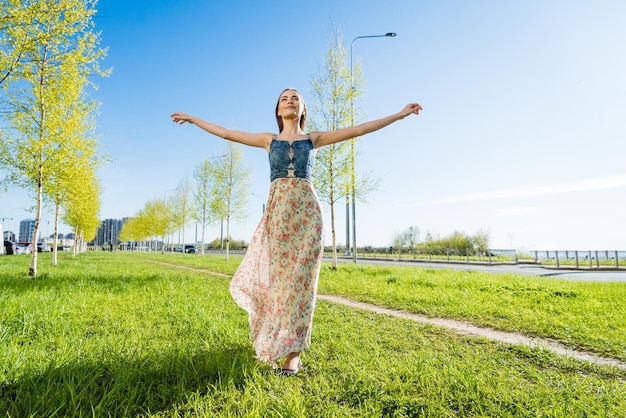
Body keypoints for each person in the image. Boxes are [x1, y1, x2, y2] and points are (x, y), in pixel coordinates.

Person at [171, 88, 422, 376]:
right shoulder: (269, 140)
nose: (290, 101)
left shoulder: (313, 139)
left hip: (308, 217)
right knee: (278, 285)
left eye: (295, 98)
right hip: (278, 216)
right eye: (284, 99)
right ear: (278, 111)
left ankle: (293, 355)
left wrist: (400, 115)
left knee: (303, 287)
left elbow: (360, 129)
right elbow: (227, 133)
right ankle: (270, 346)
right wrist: (193, 119)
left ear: (303, 109)